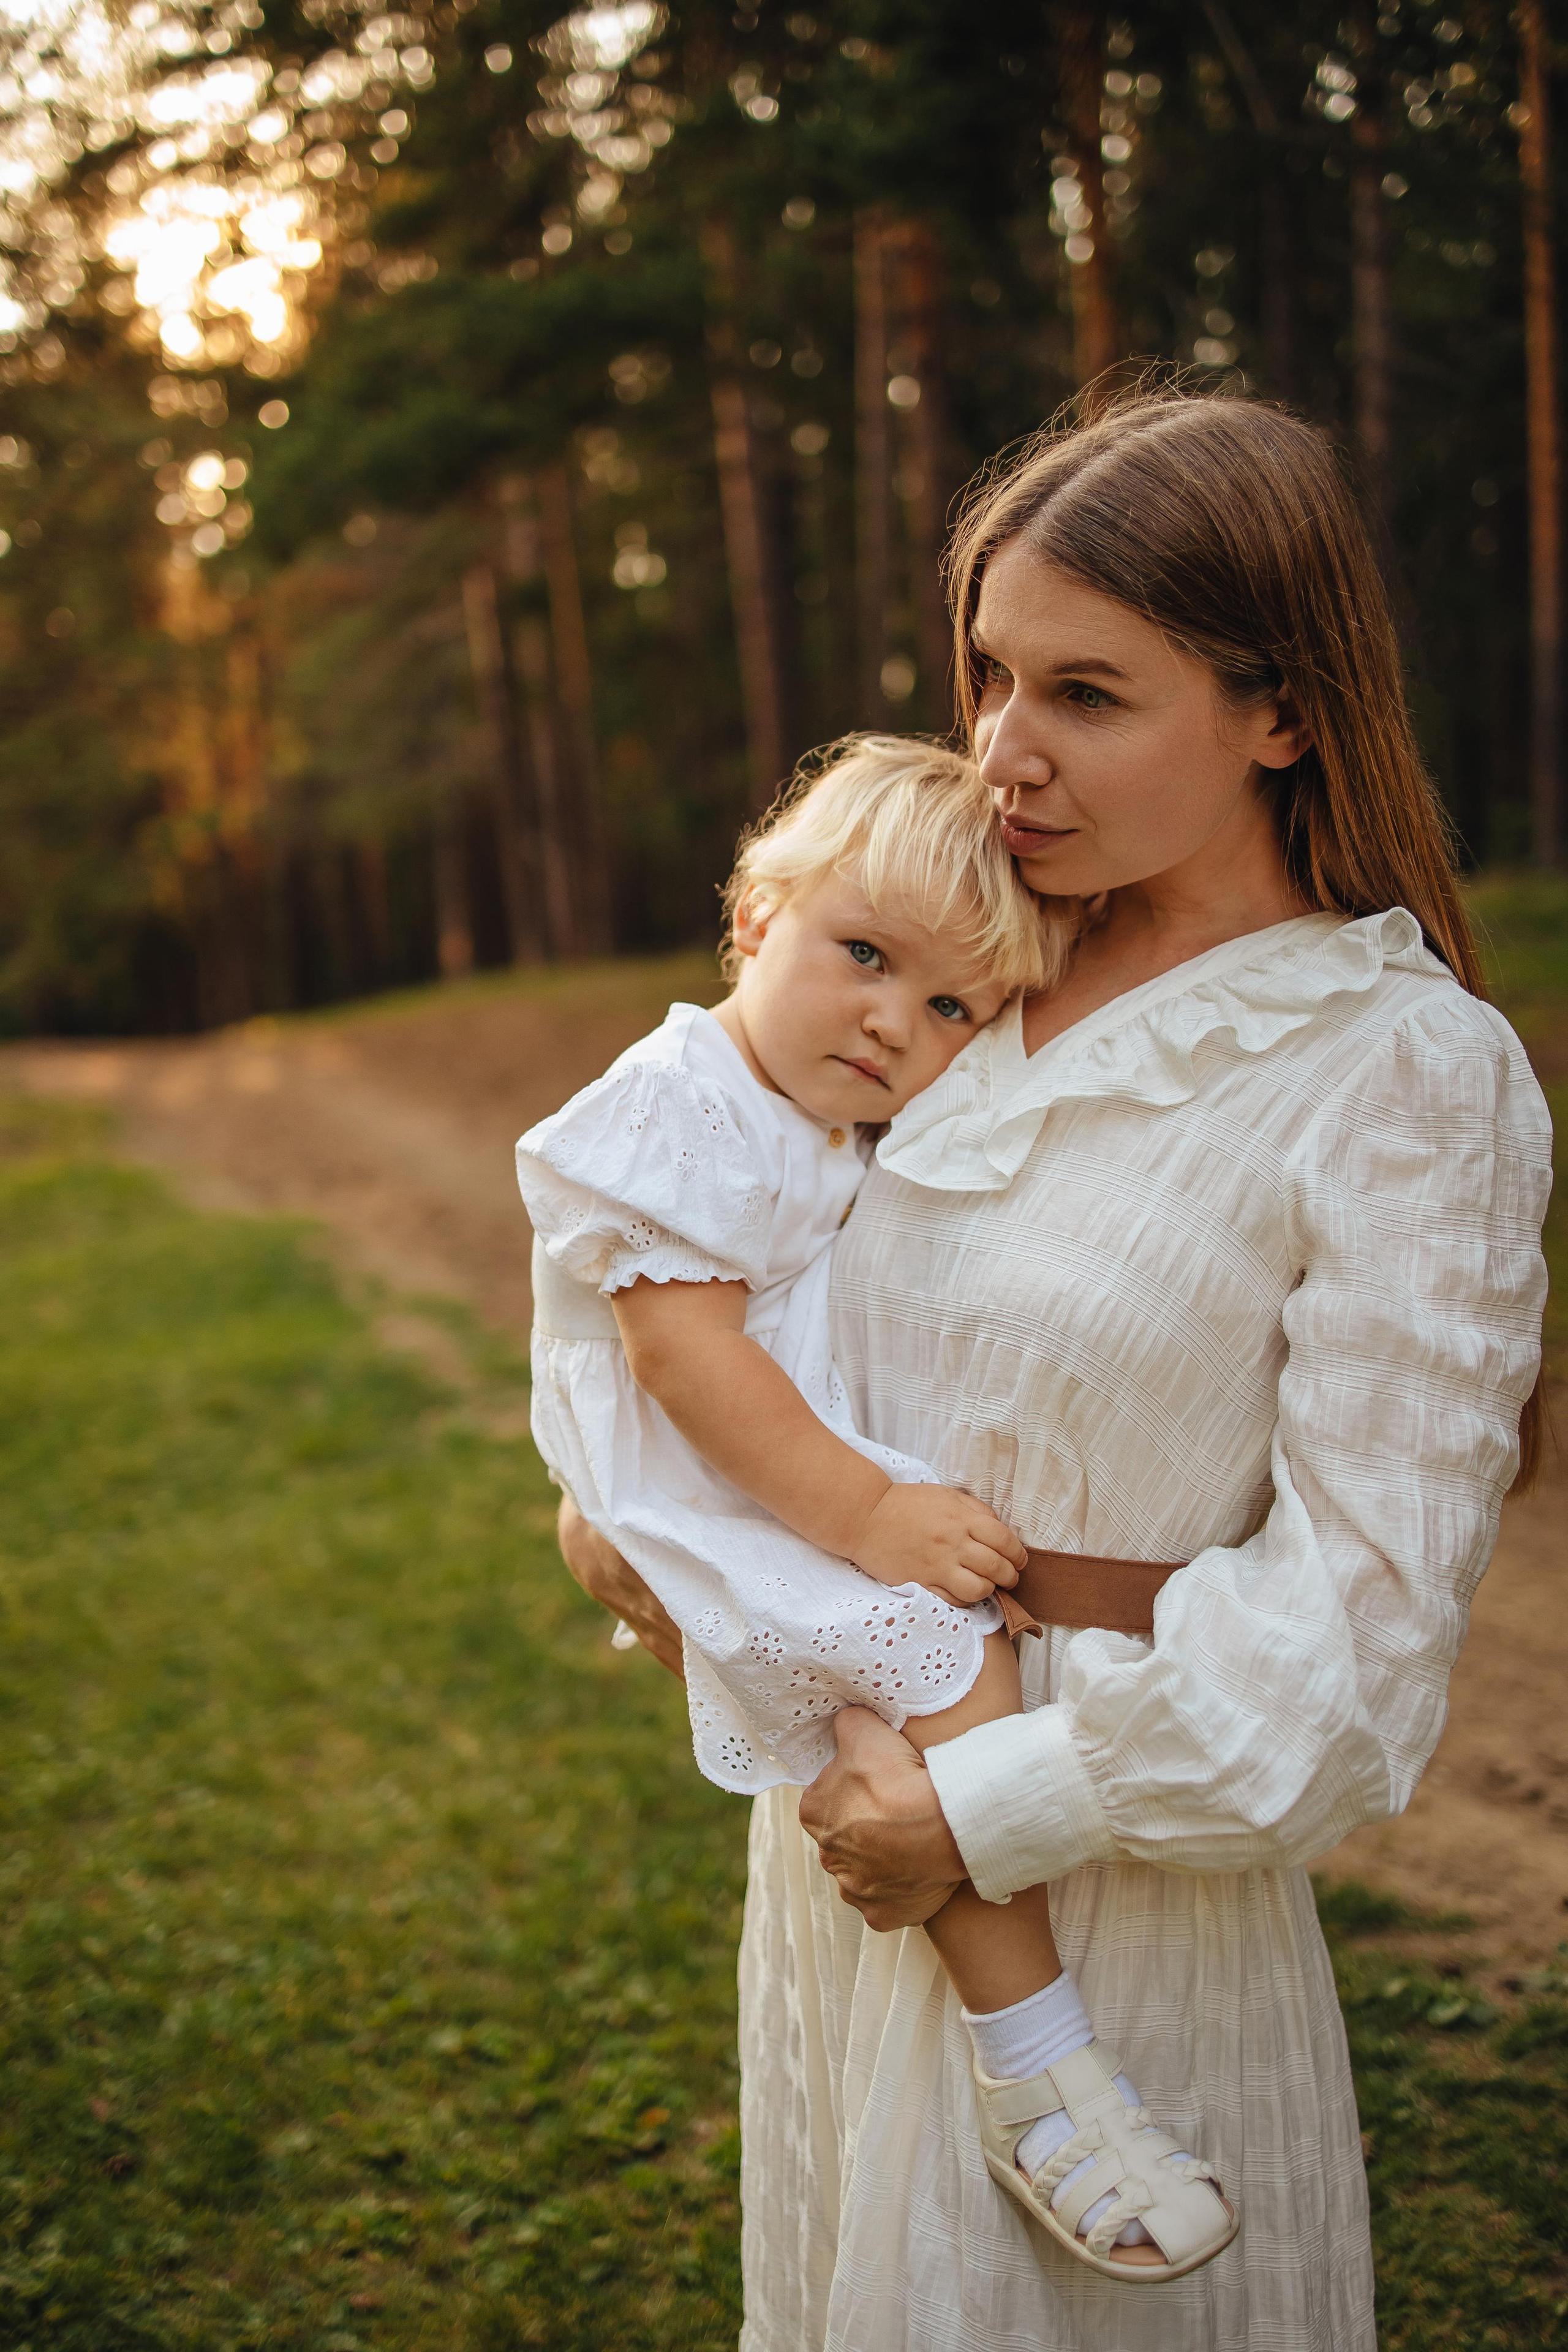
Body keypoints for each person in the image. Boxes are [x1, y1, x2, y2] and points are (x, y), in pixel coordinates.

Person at [558, 386, 1552, 2352]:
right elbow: (729, 1288)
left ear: (1283, 714)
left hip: (1111, 1891)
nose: (1006, 749)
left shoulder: (1400, 1071)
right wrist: (639, 1535)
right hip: (846, 1856)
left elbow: (1362, 1645)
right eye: (992, 674)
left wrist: (985, 1810)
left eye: (1088, 694)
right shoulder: (953, 970)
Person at [517, 734, 1237, 2281]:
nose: (892, 1021)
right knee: (944, 1665)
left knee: (915, 1706)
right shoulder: (681, 1103)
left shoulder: (801, 1118)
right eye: (863, 955)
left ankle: (1036, 2065)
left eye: (950, 1008)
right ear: (753, 916)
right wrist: (870, 1517)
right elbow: (682, 1356)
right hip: (719, 1491)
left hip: (754, 1482)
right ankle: (1038, 2071)